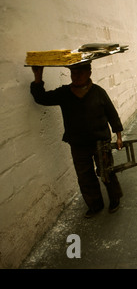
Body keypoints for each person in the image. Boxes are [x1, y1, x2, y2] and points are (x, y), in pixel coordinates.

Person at [30, 62, 124, 218]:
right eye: (74, 73)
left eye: (80, 73)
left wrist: (119, 136)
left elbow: (112, 114)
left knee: (106, 171)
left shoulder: (98, 92)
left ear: (89, 73)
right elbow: (41, 98)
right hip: (78, 143)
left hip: (100, 142)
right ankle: (95, 204)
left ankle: (114, 198)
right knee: (84, 176)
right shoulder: (65, 93)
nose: (77, 77)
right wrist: (38, 76)